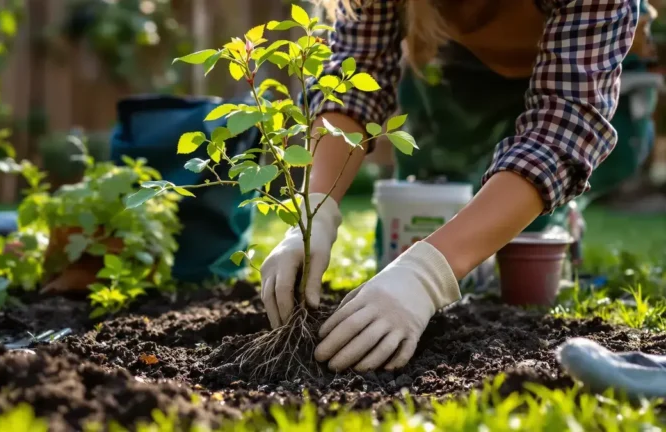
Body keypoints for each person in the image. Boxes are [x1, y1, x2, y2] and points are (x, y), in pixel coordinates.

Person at [260, 0, 643, 373]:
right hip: (451, 64)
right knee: (427, 210)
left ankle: (561, 220)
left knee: (524, 249)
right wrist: (316, 208)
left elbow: (563, 131)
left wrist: (427, 274)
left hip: (583, 68)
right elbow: (355, 76)